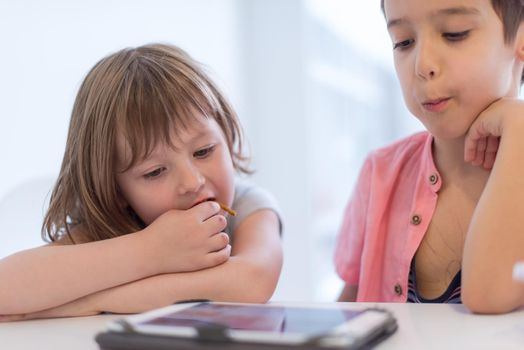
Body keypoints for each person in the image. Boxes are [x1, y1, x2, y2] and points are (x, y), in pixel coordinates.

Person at [0, 43, 283, 320]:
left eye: (203, 151)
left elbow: (252, 282)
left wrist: (91, 300)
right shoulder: (111, 225)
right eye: (155, 171)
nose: (192, 182)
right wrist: (152, 250)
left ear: (227, 135)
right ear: (116, 190)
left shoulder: (250, 206)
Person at [334, 0, 524, 314]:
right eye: (403, 42)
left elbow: (488, 295)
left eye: (454, 34)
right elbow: (348, 308)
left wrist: (518, 127)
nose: (423, 65)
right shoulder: (380, 172)